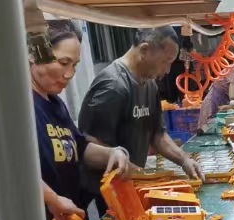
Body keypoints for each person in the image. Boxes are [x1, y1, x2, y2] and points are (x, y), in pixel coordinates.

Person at [0, 19, 129, 220]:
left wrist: (113, 152)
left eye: (75, 65)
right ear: (33, 56)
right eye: (62, 62)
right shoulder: (7, 99)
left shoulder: (55, 104)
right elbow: (1, 160)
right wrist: (53, 199)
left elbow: (78, 147)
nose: (69, 74)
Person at [78, 26, 199, 190]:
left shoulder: (150, 85)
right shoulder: (114, 86)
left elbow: (157, 134)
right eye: (165, 62)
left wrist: (184, 160)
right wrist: (143, 177)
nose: (167, 70)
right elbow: (91, 146)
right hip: (110, 190)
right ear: (144, 50)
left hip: (134, 184)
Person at [197, 61, 234, 132]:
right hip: (214, 100)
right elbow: (233, 95)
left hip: (225, 103)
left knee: (223, 130)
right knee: (208, 129)